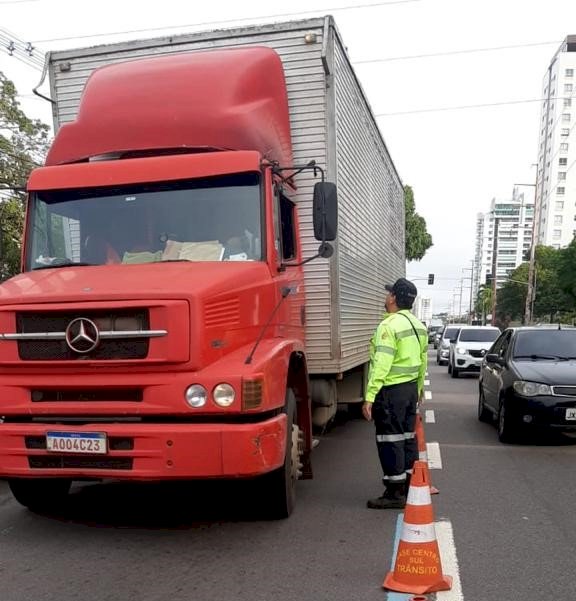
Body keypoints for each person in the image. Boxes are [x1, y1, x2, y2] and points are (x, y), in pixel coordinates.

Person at [362, 277, 428, 509]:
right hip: (409, 390)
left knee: (389, 440)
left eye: (388, 293)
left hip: (390, 391)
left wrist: (370, 396)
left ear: (393, 298)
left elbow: (381, 363)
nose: (386, 296)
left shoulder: (389, 326)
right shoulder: (418, 326)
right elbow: (422, 362)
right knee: (407, 438)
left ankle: (394, 492)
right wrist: (418, 389)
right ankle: (409, 486)